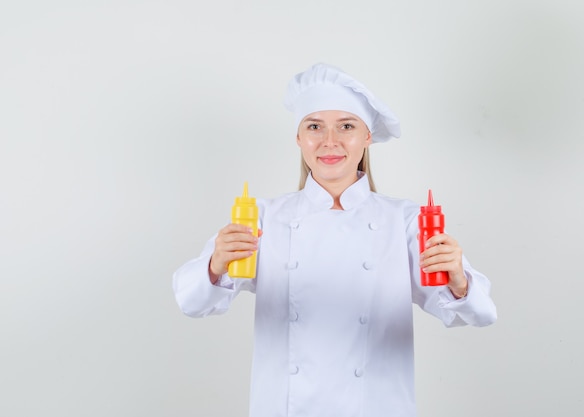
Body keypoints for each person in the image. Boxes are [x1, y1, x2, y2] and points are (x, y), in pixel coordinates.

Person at [173, 63, 497, 417]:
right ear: (299, 138)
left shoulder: (406, 221)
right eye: (314, 127)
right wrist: (214, 266)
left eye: (346, 126)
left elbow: (479, 314)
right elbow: (191, 302)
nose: (330, 141)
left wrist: (459, 282)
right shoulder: (263, 217)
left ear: (367, 137)